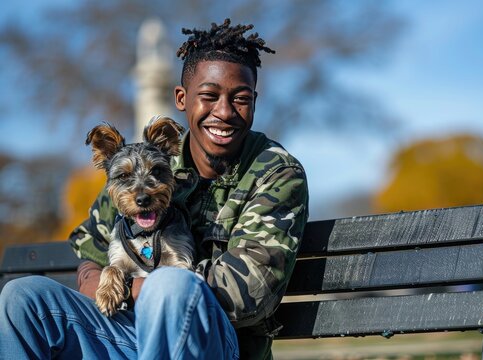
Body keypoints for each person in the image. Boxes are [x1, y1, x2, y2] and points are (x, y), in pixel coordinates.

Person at [0, 19, 308, 360]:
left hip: (215, 341)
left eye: (241, 99)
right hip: (126, 334)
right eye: (209, 96)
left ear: (254, 101)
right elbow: (91, 245)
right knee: (21, 298)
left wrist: (133, 288)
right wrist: (96, 276)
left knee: (171, 284)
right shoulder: (150, 161)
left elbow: (247, 295)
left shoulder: (276, 172)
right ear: (182, 98)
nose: (224, 111)